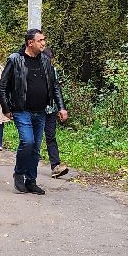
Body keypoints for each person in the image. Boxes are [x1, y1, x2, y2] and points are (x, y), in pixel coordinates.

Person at [0, 27, 61, 195]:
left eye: (44, 40)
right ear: (30, 43)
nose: (44, 43)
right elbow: (3, 86)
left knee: (36, 147)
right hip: (21, 110)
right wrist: (6, 108)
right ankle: (19, 172)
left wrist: (61, 107)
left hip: (41, 111)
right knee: (28, 141)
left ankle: (31, 181)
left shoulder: (46, 61)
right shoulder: (15, 59)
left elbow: (54, 86)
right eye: (40, 40)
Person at [40, 37, 71, 178]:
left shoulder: (53, 70)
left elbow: (57, 89)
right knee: (34, 139)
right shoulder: (34, 69)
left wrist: (61, 108)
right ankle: (28, 166)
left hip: (50, 110)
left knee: (51, 137)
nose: (50, 61)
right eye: (48, 59)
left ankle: (55, 166)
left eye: (51, 59)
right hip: (37, 110)